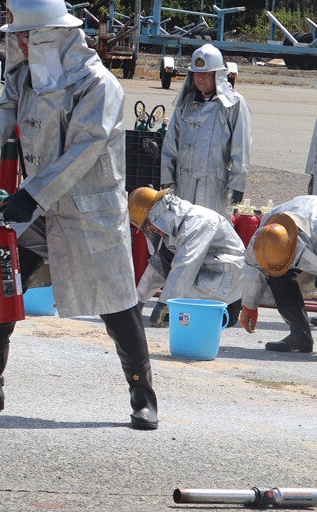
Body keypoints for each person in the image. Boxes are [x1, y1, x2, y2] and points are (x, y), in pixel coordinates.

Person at [0, 0, 159, 430]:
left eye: (30, 36)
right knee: (0, 284)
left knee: (116, 303)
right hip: (41, 209)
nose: (22, 44)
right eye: (18, 37)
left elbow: (83, 151)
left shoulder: (97, 84)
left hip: (90, 210)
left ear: (56, 36)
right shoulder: (25, 77)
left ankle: (144, 396)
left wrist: (30, 194)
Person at [129, 187, 245, 328]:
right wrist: (138, 302)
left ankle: (206, 316)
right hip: (207, 274)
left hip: (224, 281)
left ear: (160, 214)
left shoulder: (197, 222)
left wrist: (163, 303)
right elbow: (158, 266)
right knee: (165, 256)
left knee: (188, 320)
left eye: (149, 223)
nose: (151, 229)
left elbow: (186, 266)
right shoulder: (176, 225)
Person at [160, 43, 252, 217]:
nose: (200, 78)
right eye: (197, 73)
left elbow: (242, 145)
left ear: (217, 75)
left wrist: (237, 182)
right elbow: (171, 143)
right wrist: (167, 178)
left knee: (209, 230)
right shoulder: (185, 103)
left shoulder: (233, 103)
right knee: (182, 231)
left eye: (206, 74)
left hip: (213, 185)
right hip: (183, 183)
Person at [240, 196, 317, 354]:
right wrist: (250, 306)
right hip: (302, 233)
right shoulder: (264, 233)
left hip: (312, 233)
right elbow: (253, 267)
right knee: (275, 274)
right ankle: (299, 336)